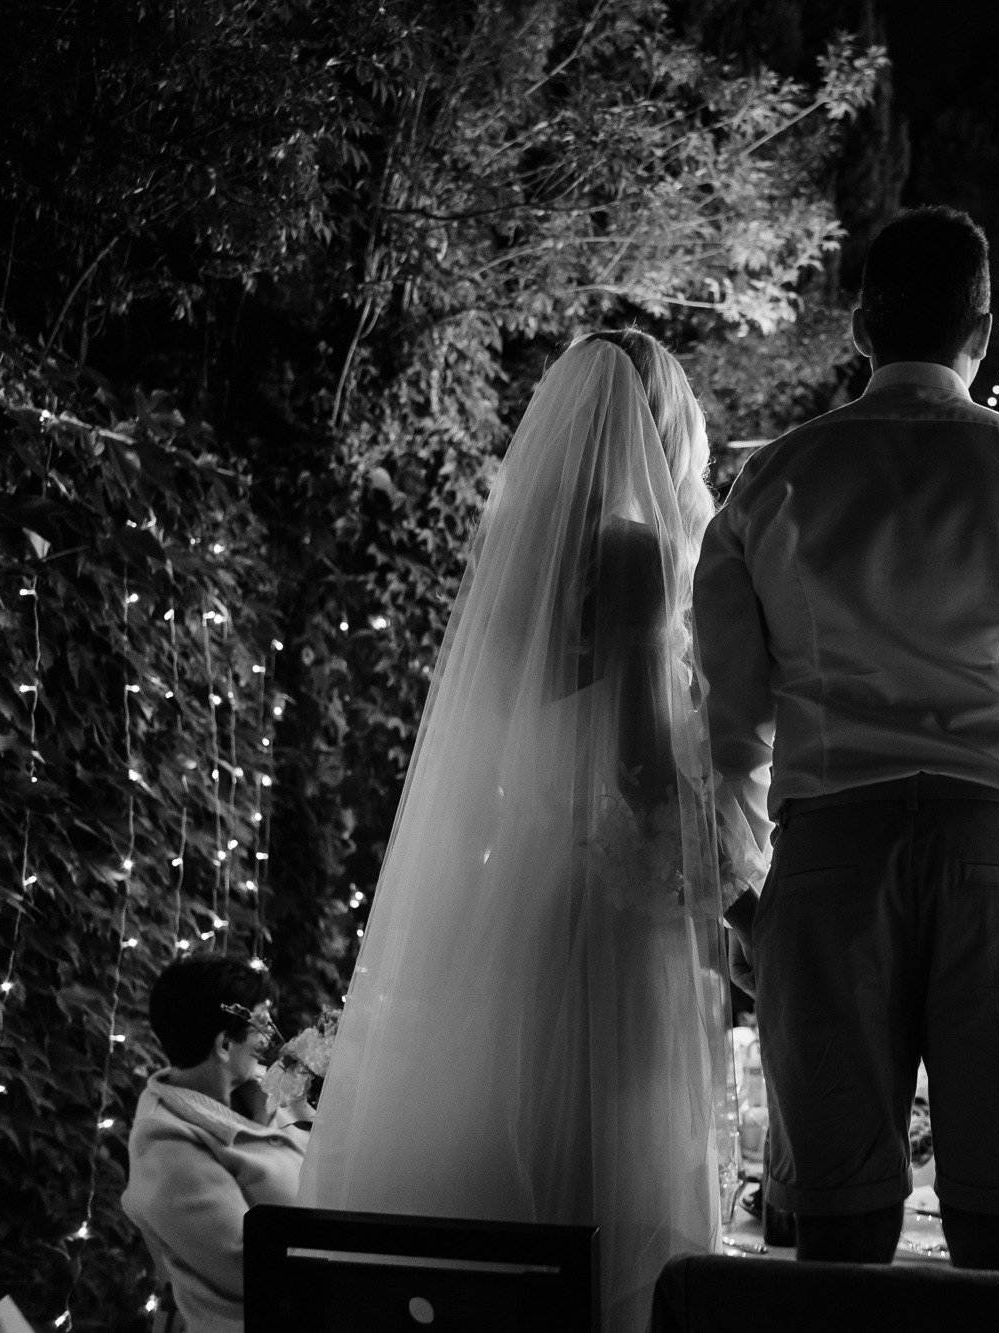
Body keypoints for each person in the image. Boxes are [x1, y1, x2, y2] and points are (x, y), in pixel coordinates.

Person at [696, 206, 999, 1272]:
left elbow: (726, 732)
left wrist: (742, 894)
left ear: (859, 327)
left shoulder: (771, 481)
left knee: (838, 1232)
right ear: (983, 329)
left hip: (828, 858)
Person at [301, 332, 733, 1333]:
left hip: (518, 895)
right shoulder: (635, 550)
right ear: (661, 431)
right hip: (608, 907)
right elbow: (640, 767)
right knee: (614, 1168)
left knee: (524, 1157)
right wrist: (715, 828)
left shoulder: (520, 561)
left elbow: (496, 768)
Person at [122, 957, 310, 1333]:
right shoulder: (167, 1150)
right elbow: (252, 1269)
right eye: (261, 1026)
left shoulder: (263, 1085)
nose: (269, 1039)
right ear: (224, 1044)